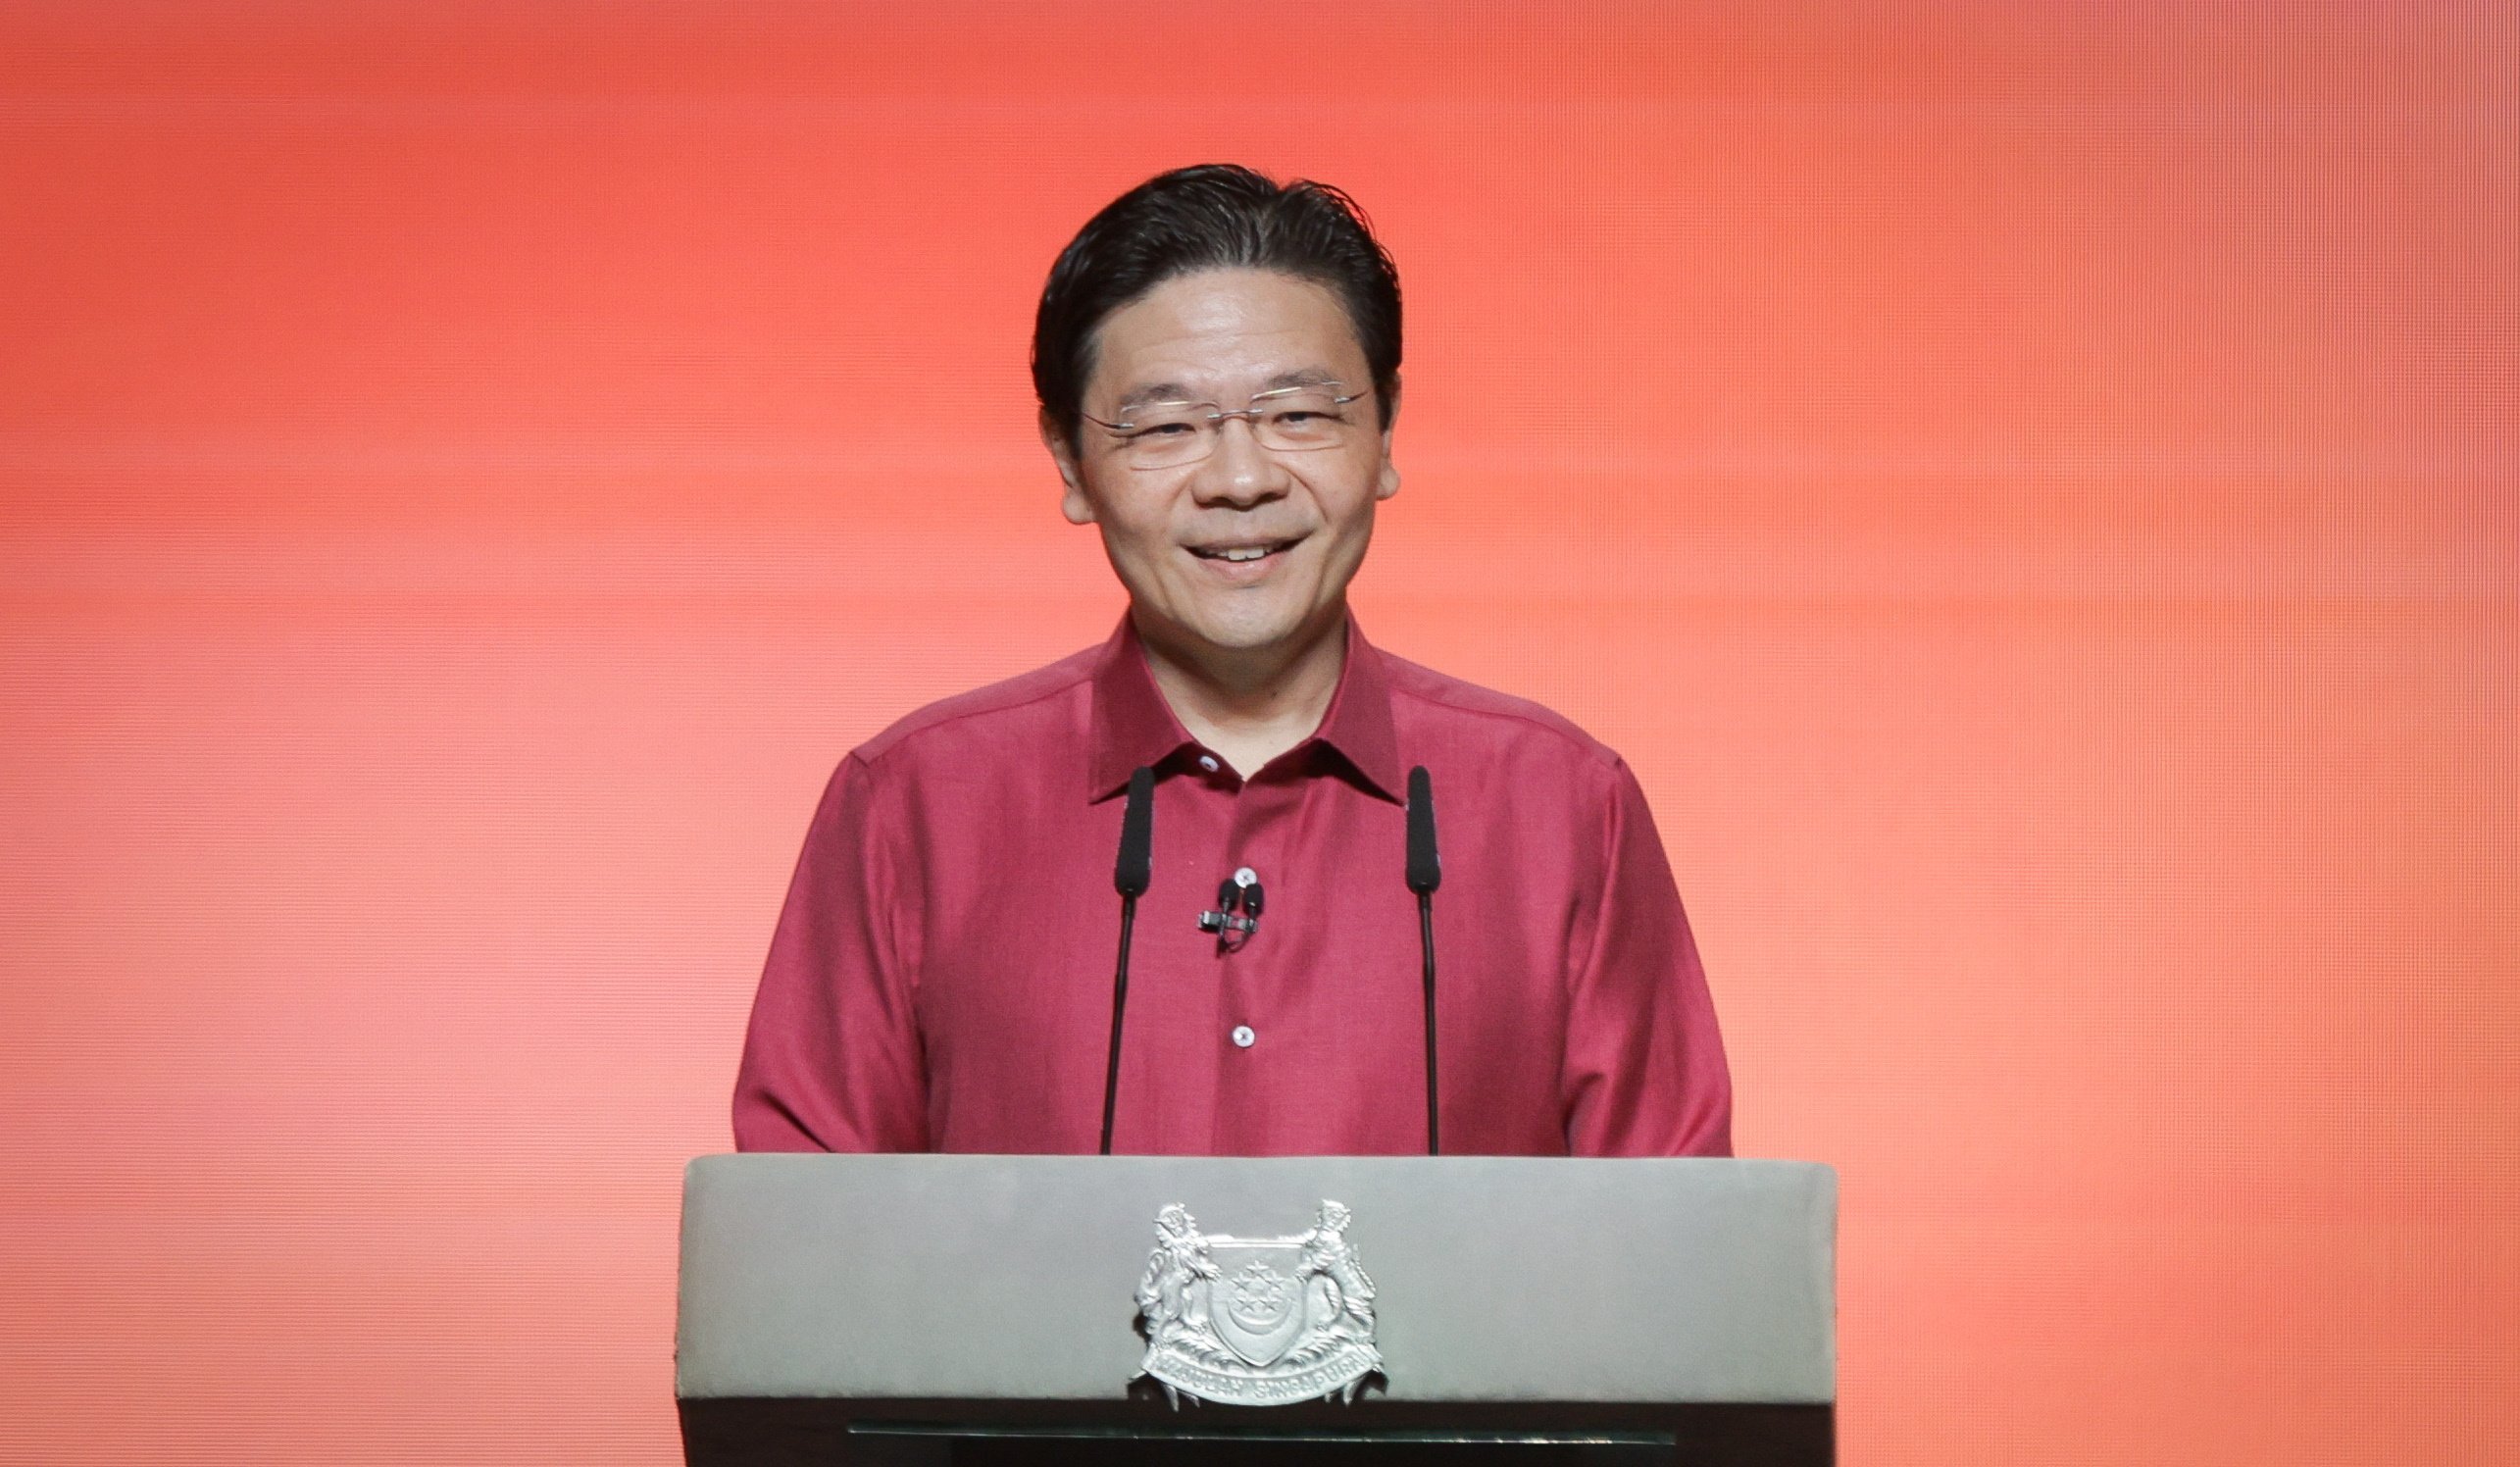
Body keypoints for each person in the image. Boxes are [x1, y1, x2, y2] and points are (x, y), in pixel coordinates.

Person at [733, 164, 1730, 1156]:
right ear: (1069, 463)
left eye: (1297, 414)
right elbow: (799, 1252)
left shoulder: (1559, 802)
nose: (1241, 479)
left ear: (1383, 430)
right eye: (1165, 427)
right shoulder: (912, 803)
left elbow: (1680, 1257)